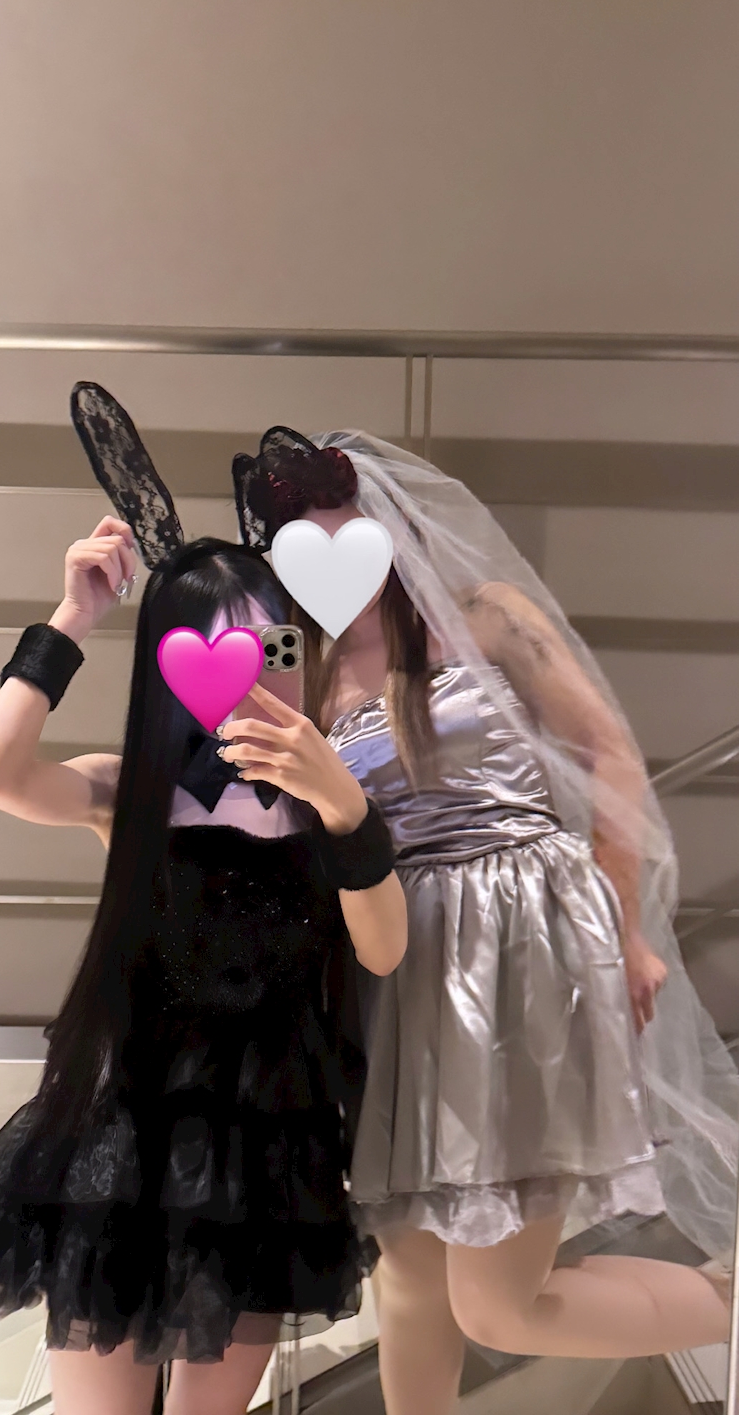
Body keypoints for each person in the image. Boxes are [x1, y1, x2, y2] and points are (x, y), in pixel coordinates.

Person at [226, 426, 738, 1415]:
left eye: (352, 533)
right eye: (305, 542)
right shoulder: (300, 662)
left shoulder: (482, 615)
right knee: (412, 1277)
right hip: (392, 963)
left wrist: (627, 927)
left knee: (500, 1304)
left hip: (525, 943)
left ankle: (728, 1305)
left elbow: (607, 755)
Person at [0, 388, 407, 1415]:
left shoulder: (327, 802)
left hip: (267, 1151)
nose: (249, 678)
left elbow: (383, 949)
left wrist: (341, 802)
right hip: (122, 1135)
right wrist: (71, 620)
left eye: (272, 648)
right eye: (217, 653)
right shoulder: (130, 794)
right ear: (167, 669)